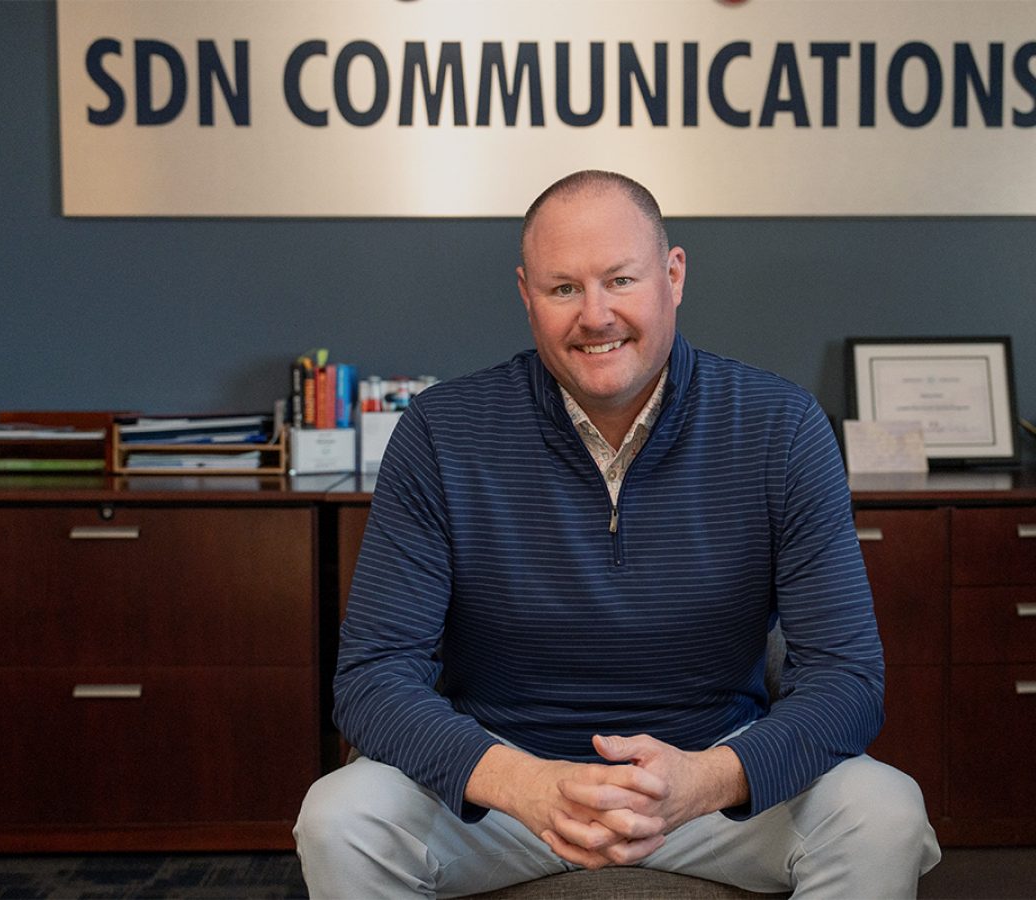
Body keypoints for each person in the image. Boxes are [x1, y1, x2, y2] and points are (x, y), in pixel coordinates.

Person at [294, 170, 940, 898]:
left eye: (620, 279)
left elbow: (849, 681)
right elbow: (372, 678)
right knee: (339, 816)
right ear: (525, 295)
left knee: (884, 812)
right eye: (563, 288)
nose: (595, 314)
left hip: (710, 781)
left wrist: (703, 780)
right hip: (505, 791)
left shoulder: (781, 428)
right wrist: (525, 783)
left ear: (674, 275)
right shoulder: (442, 432)